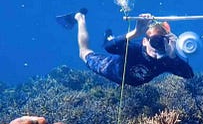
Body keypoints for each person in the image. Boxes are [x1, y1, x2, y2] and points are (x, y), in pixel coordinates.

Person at [57, 9, 194, 86]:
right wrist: (136, 33)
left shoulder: (166, 61)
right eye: (154, 41)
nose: (157, 47)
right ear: (144, 41)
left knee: (112, 42)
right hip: (110, 69)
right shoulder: (134, 49)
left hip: (130, 81)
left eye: (161, 42)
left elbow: (188, 74)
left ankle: (109, 34)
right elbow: (108, 48)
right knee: (84, 52)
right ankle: (80, 17)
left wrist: (174, 55)